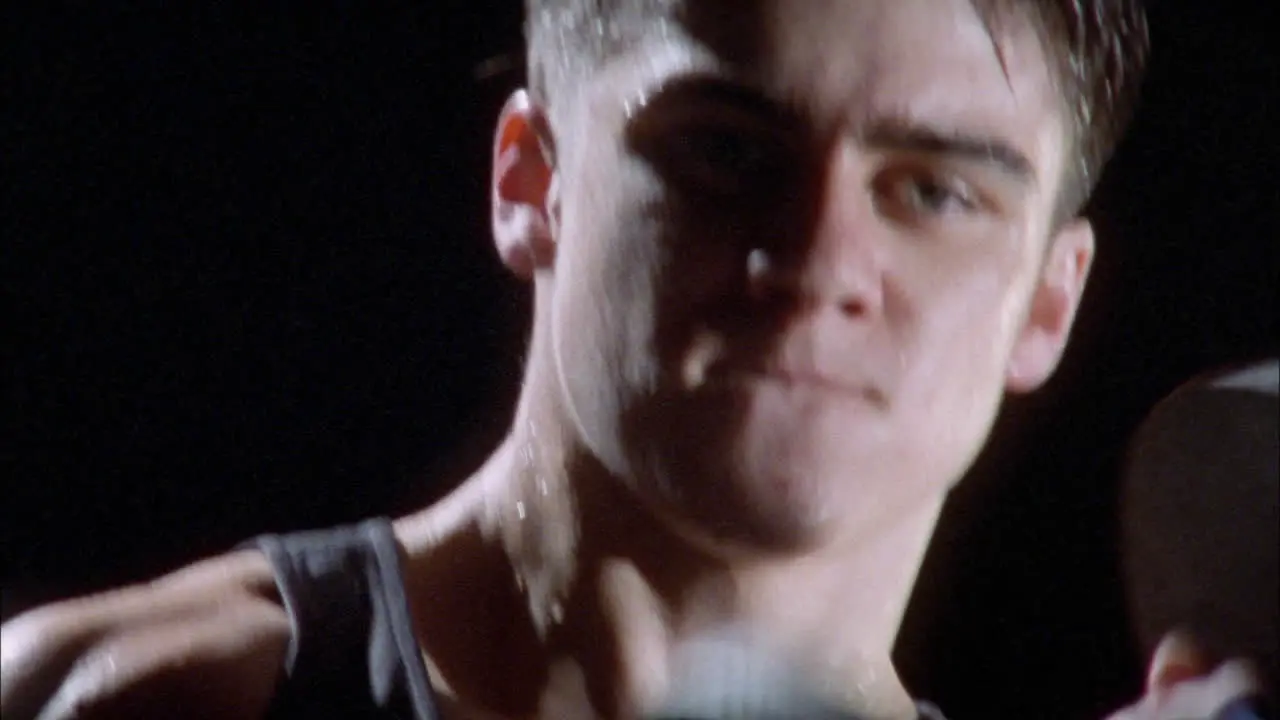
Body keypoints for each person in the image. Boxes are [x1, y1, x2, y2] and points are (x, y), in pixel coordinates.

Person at [0, 1, 1262, 718]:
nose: (816, 260)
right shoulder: (135, 698)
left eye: (931, 192)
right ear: (531, 181)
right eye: (726, 150)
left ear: (1047, 303)